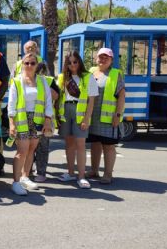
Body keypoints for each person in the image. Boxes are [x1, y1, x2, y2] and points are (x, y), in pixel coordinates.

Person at [7, 53, 54, 195]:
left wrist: (48, 119)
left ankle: (25, 177)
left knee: (31, 150)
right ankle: (15, 182)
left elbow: (48, 101)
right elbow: (11, 104)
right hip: (21, 119)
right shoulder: (16, 81)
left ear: (37, 65)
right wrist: (11, 123)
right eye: (26, 63)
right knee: (22, 151)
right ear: (22, 64)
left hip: (37, 120)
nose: (29, 66)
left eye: (32, 63)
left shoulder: (43, 81)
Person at [57, 50, 98, 189]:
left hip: (80, 113)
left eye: (75, 61)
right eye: (70, 62)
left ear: (79, 62)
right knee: (69, 144)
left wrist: (87, 118)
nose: (73, 64)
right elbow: (57, 98)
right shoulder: (62, 77)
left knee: (80, 144)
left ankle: (81, 176)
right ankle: (70, 173)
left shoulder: (88, 77)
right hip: (65, 112)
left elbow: (91, 100)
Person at [87, 48, 125, 184]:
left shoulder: (115, 74)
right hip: (93, 116)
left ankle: (108, 174)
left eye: (106, 58)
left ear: (111, 60)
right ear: (96, 58)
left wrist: (118, 115)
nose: (102, 60)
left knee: (108, 146)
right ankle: (94, 170)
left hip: (108, 117)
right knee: (95, 144)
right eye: (100, 57)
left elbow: (121, 96)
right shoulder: (91, 72)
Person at [32, 61, 60, 183]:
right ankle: (27, 171)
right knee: (29, 148)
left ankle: (41, 172)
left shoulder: (49, 81)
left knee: (42, 148)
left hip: (45, 120)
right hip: (28, 119)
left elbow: (56, 96)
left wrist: (43, 85)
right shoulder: (26, 80)